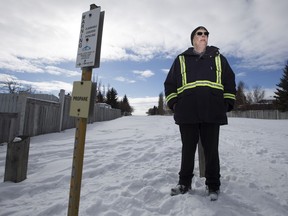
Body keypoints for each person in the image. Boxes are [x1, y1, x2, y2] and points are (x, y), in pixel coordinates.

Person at [164, 26, 236, 201]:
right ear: (193, 39)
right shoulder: (181, 59)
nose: (203, 36)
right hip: (187, 112)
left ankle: (213, 186)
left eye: (206, 34)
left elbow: (229, 82)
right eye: (199, 33)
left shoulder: (220, 59)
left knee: (211, 151)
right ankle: (184, 183)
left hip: (212, 111)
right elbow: (170, 84)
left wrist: (226, 103)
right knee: (187, 150)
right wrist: (175, 103)